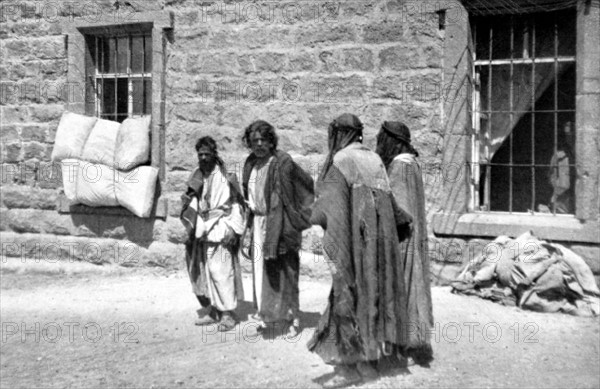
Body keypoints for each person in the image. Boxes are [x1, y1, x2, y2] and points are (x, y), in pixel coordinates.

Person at [307, 114, 413, 388]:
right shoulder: (375, 159)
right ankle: (368, 364)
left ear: (338, 134)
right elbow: (389, 205)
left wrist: (313, 217)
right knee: (371, 298)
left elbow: (329, 207)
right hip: (377, 248)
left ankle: (348, 369)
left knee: (346, 298)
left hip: (354, 246)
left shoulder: (342, 160)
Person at [241, 120, 315, 337]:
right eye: (254, 141)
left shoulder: (283, 163)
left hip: (281, 226)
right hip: (258, 223)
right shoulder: (251, 164)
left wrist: (296, 217)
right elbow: (249, 195)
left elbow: (306, 184)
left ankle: (293, 319)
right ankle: (269, 319)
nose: (259, 144)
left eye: (264, 140)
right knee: (262, 274)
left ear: (271, 141)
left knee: (287, 272)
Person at [376, 121, 434, 366]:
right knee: (414, 286)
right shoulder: (413, 163)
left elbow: (399, 211)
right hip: (415, 236)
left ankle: (402, 346)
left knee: (401, 289)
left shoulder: (399, 167)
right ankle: (411, 344)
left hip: (402, 239)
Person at [180, 136, 245, 332]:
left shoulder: (226, 175)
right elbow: (190, 199)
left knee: (222, 272)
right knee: (206, 271)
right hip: (203, 229)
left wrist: (234, 229)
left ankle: (228, 313)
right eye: (200, 154)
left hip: (222, 226)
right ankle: (214, 310)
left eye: (207, 154)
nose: (204, 158)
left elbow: (237, 203)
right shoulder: (198, 175)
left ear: (214, 154)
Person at [548, 121, 575, 214]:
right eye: (567, 134)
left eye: (572, 134)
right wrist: (559, 187)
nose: (570, 137)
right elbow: (551, 176)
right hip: (562, 204)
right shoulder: (559, 155)